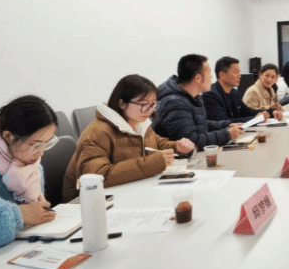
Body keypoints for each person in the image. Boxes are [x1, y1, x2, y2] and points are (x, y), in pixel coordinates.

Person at [62, 75, 194, 202]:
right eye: (144, 104)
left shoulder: (139, 122)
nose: (150, 110)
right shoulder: (98, 132)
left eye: (154, 103)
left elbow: (156, 144)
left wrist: (177, 147)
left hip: (128, 191)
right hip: (89, 203)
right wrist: (152, 163)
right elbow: (97, 176)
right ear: (122, 103)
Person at [0, 95, 59, 257]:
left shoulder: (30, 164)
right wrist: (18, 215)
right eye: (35, 145)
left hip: (19, 252)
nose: (41, 153)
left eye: (47, 144)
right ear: (8, 136)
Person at [154, 54, 242, 151]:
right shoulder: (175, 103)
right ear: (198, 78)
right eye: (209, 73)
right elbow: (191, 141)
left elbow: (200, 123)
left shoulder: (192, 96)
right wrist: (227, 134)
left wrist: (226, 125)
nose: (211, 77)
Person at [203, 57, 271, 123]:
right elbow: (223, 121)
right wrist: (255, 119)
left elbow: (246, 111)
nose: (239, 76)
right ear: (222, 75)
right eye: (235, 72)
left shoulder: (234, 92)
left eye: (239, 72)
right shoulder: (210, 94)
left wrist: (267, 113)